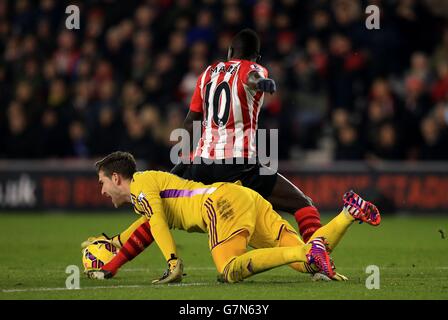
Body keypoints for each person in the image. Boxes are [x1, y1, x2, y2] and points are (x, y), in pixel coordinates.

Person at [84, 29, 327, 274]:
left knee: (160, 210)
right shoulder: (252, 69)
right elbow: (251, 77)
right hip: (238, 164)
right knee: (302, 203)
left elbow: (191, 122)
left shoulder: (208, 73)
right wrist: (262, 83)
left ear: (229, 52)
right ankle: (318, 261)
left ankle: (115, 253)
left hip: (202, 163)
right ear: (256, 57)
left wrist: (184, 161)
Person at [85, 151, 381, 283]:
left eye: (101, 183)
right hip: (245, 197)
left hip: (221, 204)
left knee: (229, 270)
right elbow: (147, 225)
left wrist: (173, 263)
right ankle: (347, 214)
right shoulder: (146, 193)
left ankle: (308, 249)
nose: (101, 191)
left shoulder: (140, 185)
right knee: (303, 265)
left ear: (116, 177)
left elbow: (158, 223)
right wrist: (113, 258)